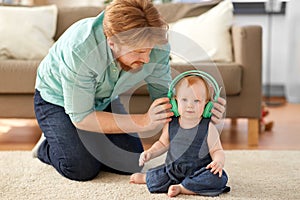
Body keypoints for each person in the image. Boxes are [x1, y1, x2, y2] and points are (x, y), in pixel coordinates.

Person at [32, 0, 226, 181]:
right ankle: (47, 145)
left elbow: (166, 98)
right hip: (56, 99)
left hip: (103, 99)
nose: (148, 59)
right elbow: (82, 117)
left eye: (149, 50)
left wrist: (200, 108)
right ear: (112, 42)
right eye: (139, 51)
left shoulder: (156, 43)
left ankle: (83, 138)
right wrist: (143, 121)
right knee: (81, 168)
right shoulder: (81, 49)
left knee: (129, 163)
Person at [130, 75, 230, 197]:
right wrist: (150, 152)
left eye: (196, 101)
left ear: (207, 105)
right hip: (174, 170)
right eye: (184, 100)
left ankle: (182, 188)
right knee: (159, 177)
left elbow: (217, 150)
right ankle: (147, 178)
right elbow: (162, 144)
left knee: (218, 178)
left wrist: (218, 161)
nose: (190, 105)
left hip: (200, 170)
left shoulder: (208, 127)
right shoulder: (171, 124)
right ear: (175, 101)